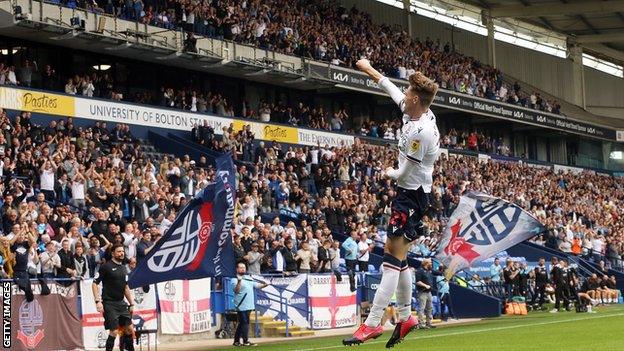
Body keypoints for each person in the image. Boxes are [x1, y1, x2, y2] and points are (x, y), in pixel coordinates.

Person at [343, 58, 440, 348]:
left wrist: (390, 172)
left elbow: (406, 170)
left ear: (416, 100)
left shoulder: (419, 132)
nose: (404, 94)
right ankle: (406, 316)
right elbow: (390, 89)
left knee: (390, 260)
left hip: (410, 194)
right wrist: (368, 68)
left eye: (408, 92)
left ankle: (372, 324)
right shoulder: (416, 112)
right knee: (400, 260)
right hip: (415, 194)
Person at [91, 244, 136, 351]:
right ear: (113, 253)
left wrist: (131, 303)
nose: (121, 253)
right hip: (109, 304)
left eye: (122, 251)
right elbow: (94, 284)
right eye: (119, 251)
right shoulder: (105, 267)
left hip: (121, 303)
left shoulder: (124, 268)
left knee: (129, 329)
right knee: (114, 331)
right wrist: (98, 301)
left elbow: (125, 287)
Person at [232, 262, 268, 347]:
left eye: (244, 267)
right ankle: (245, 341)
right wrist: (239, 281)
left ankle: (236, 341)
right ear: (237, 269)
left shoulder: (248, 278)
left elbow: (257, 285)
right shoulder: (234, 279)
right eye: (241, 268)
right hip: (241, 305)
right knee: (245, 322)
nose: (243, 269)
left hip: (249, 305)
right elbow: (236, 290)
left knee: (242, 323)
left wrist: (265, 284)